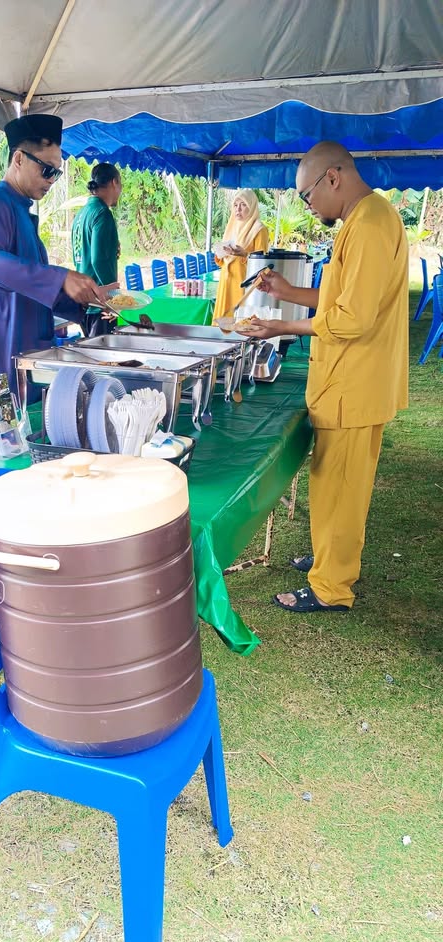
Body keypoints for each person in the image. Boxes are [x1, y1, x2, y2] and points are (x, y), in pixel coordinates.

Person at [240, 141, 409, 614]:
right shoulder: (358, 221)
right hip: (341, 380)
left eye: (306, 195)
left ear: (333, 177)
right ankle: (327, 557)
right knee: (328, 477)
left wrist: (281, 325)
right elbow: (339, 297)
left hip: (357, 381)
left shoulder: (372, 224)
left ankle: (332, 587)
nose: (307, 206)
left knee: (345, 487)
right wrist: (288, 291)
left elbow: (352, 318)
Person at [0, 114, 106, 393]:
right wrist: (60, 277)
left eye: (57, 172)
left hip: (29, 350)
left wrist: (85, 302)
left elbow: (32, 286)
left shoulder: (20, 209)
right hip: (2, 352)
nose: (52, 180)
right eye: (47, 170)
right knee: (4, 434)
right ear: (18, 159)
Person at [72, 162, 122, 336]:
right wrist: (114, 297)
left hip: (84, 300)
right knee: (104, 360)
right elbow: (98, 259)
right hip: (101, 303)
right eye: (120, 186)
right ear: (115, 183)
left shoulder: (82, 214)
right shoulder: (102, 213)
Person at [212, 189, 270, 320]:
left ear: (252, 206)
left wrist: (244, 254)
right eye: (235, 205)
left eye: (243, 204)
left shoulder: (259, 230)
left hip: (244, 283)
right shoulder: (232, 227)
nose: (238, 209)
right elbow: (224, 260)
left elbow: (263, 264)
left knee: (240, 321)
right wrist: (220, 253)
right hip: (226, 282)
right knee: (222, 322)